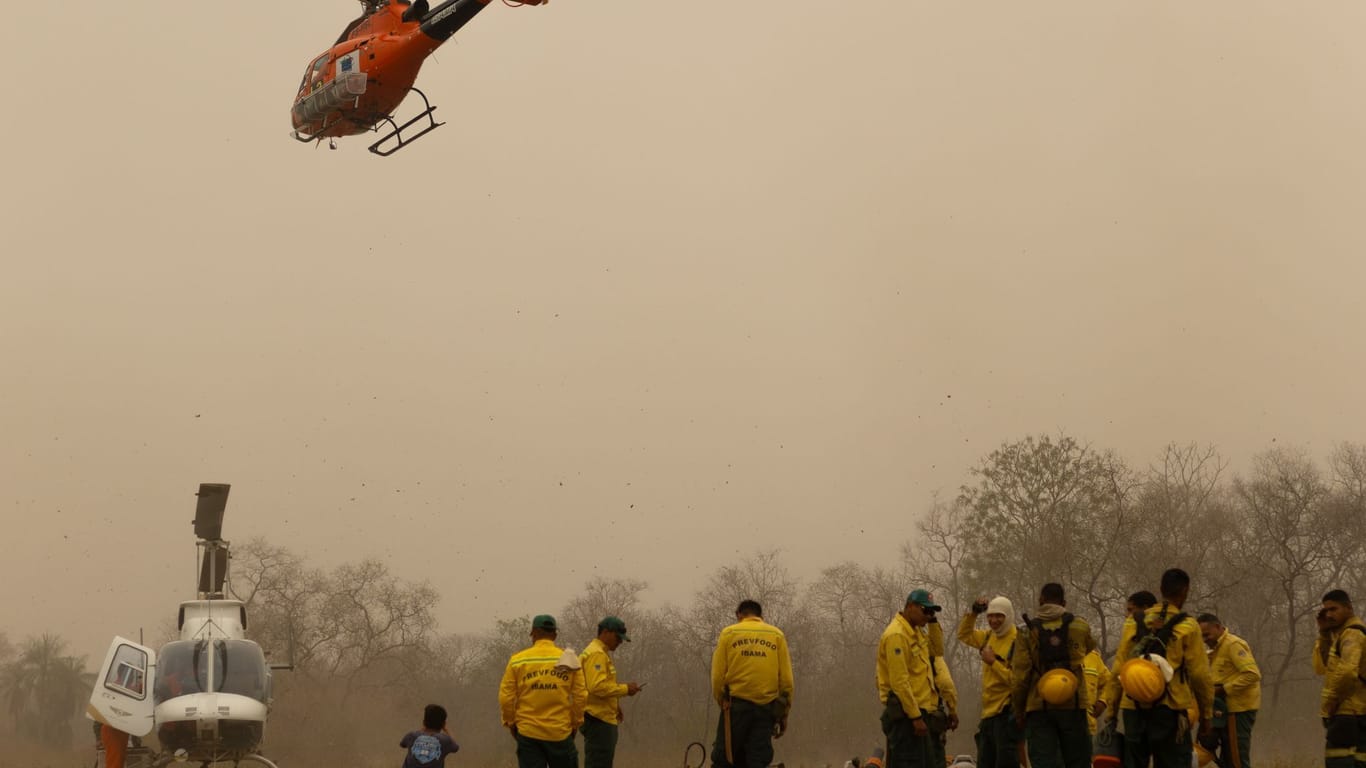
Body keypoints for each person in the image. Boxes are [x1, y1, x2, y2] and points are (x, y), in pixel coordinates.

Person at [1099, 568, 1213, 768]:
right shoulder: (1188, 625)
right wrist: (1206, 715)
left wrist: (1111, 714)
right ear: (1185, 591)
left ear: (1161, 589)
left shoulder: (1132, 623)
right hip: (1171, 710)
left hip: (1133, 709)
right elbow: (1200, 676)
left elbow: (1118, 670)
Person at [1011, 582, 1096, 768]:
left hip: (1039, 707)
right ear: (1064, 602)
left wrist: (1018, 710)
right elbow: (1089, 647)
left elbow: (1020, 676)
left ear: (1041, 601)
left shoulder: (1025, 631)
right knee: (1079, 761)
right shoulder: (1080, 626)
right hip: (1074, 705)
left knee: (1044, 762)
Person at [710, 599, 794, 768]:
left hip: (735, 709)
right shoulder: (776, 635)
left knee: (724, 758)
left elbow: (718, 677)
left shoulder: (729, 633)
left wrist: (722, 702)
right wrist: (784, 713)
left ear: (739, 615)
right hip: (765, 710)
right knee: (757, 760)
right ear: (761, 616)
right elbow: (786, 682)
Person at [499, 614, 587, 768]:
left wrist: (511, 722)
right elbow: (581, 696)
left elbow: (506, 697)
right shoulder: (571, 660)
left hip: (528, 733)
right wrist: (575, 723)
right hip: (560, 732)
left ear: (533, 633)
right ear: (554, 635)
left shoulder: (518, 660)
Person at [878, 589, 946, 768]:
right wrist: (915, 717)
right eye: (925, 610)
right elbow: (900, 682)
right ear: (910, 606)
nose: (928, 615)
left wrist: (932, 621)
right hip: (906, 717)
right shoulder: (897, 635)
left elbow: (937, 650)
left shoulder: (917, 633)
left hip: (920, 714)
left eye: (931, 612)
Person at [957, 596, 1020, 768]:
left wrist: (993, 663)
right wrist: (974, 612)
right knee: (985, 763)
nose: (994, 621)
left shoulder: (1019, 641)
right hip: (987, 716)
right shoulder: (988, 637)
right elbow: (963, 634)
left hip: (1006, 714)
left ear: (1008, 615)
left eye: (999, 616)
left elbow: (1017, 682)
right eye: (990, 616)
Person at [1196, 614, 1258, 768]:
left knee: (1237, 759)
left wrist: (1224, 689)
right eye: (1201, 636)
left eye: (1207, 634)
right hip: (1222, 711)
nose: (1205, 639)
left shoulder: (1233, 645)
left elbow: (1252, 674)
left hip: (1238, 711)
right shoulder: (1214, 650)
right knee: (1226, 759)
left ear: (1218, 627)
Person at [579, 616, 642, 768]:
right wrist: (626, 689)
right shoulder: (597, 654)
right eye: (617, 637)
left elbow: (597, 687)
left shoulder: (599, 652)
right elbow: (597, 687)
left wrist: (614, 706)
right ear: (605, 632)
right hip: (598, 720)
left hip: (600, 717)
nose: (620, 642)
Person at [1314, 589, 1366, 768]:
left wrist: (1332, 701)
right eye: (1326, 611)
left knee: (1338, 761)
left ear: (1348, 608)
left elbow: (1347, 672)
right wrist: (1324, 633)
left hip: (1347, 712)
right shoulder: (1342, 635)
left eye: (1333, 609)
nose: (1328, 614)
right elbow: (1325, 665)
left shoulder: (1352, 634)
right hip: (1356, 712)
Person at [1082, 648, 1111, 735]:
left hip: (1087, 725)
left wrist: (1103, 701)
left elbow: (1109, 683)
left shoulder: (1093, 657)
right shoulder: (1046, 654)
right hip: (1053, 726)